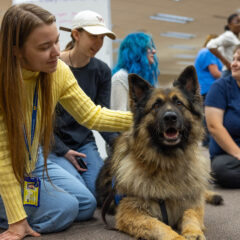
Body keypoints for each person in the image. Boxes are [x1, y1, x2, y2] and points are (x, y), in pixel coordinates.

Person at [0, 4, 132, 240]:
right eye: (44, 47)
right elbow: (4, 159)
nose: (55, 52)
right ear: (16, 50)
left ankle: (28, 207)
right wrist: (17, 220)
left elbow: (92, 115)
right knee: (64, 208)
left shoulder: (57, 71)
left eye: (55, 42)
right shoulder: (4, 82)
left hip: (33, 161)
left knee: (85, 204)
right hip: (5, 166)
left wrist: (145, 119)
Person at [47, 10, 118, 198]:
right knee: (79, 195)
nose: (99, 43)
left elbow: (102, 115)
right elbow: (40, 122)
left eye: (102, 38)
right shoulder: (52, 67)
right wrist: (62, 150)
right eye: (94, 36)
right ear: (76, 35)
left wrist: (121, 144)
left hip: (83, 143)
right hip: (54, 144)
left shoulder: (102, 71)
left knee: (100, 193)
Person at [205, 44, 240, 188]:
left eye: (239, 60)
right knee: (221, 170)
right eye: (234, 59)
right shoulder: (220, 87)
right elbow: (214, 127)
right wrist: (238, 153)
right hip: (229, 155)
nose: (233, 64)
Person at [111, 32, 160, 111]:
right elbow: (118, 114)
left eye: (153, 47)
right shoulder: (120, 77)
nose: (154, 51)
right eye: (149, 47)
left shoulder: (146, 78)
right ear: (136, 51)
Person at [194, 34, 223, 147]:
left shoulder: (202, 52)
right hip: (210, 89)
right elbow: (215, 73)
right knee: (212, 116)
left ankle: (207, 142)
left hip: (205, 90)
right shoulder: (209, 52)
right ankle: (210, 142)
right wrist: (230, 76)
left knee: (206, 115)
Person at [206, 13, 240, 78]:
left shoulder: (235, 37)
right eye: (237, 22)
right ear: (229, 25)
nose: (239, 24)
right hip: (229, 72)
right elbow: (210, 45)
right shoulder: (228, 35)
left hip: (234, 70)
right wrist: (227, 63)